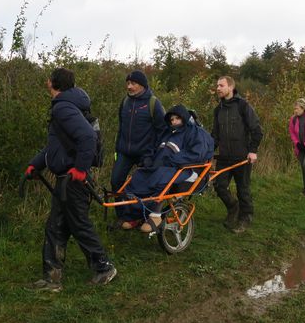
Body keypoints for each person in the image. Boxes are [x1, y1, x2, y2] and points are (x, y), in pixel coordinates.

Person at [25, 68, 116, 292]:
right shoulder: (65, 106)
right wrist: (36, 163)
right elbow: (56, 146)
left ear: (53, 83)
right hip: (67, 179)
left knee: (78, 225)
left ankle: (103, 267)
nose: (46, 81)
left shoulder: (63, 107)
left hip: (73, 181)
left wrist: (80, 169)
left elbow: (86, 137)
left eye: (48, 78)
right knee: (56, 227)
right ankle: (52, 278)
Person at [117, 104, 214, 233]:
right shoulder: (166, 133)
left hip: (185, 168)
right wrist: (147, 158)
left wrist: (174, 160)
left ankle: (155, 215)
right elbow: (152, 148)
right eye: (172, 119)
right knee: (137, 177)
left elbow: (197, 153)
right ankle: (133, 216)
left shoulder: (195, 132)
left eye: (177, 118)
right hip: (159, 166)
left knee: (159, 179)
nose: (174, 122)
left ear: (184, 117)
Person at [110, 70, 167, 225]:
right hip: (124, 152)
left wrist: (154, 153)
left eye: (133, 83)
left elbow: (163, 130)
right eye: (128, 83)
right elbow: (121, 128)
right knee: (116, 182)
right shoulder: (124, 102)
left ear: (142, 85)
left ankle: (141, 216)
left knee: (143, 187)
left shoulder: (153, 103)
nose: (129, 86)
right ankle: (123, 216)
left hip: (145, 154)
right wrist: (117, 149)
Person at [211, 76, 263, 233]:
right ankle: (233, 207)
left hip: (242, 157)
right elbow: (215, 135)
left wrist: (253, 151)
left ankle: (245, 219)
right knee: (219, 186)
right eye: (217, 86)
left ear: (231, 87)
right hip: (224, 157)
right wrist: (208, 152)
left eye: (221, 85)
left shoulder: (243, 106)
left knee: (243, 189)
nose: (218, 88)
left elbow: (257, 130)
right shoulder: (218, 110)